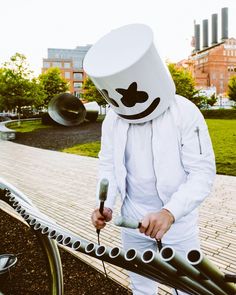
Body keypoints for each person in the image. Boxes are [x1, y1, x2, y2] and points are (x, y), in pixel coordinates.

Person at [84, 24, 216, 295]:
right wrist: (105, 205)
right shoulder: (112, 119)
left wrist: (170, 212)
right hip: (132, 224)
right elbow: (108, 164)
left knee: (189, 287)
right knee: (141, 287)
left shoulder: (185, 112)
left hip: (178, 226)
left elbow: (202, 173)